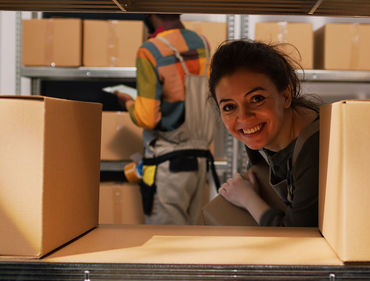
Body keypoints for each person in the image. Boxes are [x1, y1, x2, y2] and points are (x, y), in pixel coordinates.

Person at [116, 14, 217, 225]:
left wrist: (127, 102)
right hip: (200, 161)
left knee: (165, 244)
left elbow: (147, 117)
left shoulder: (150, 51)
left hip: (169, 164)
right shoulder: (202, 43)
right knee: (188, 239)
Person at [208, 40, 321, 227]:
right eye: (229, 107)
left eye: (256, 99)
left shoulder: (316, 148)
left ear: (285, 96)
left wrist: (248, 199)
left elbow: (297, 237)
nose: (244, 117)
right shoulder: (259, 134)